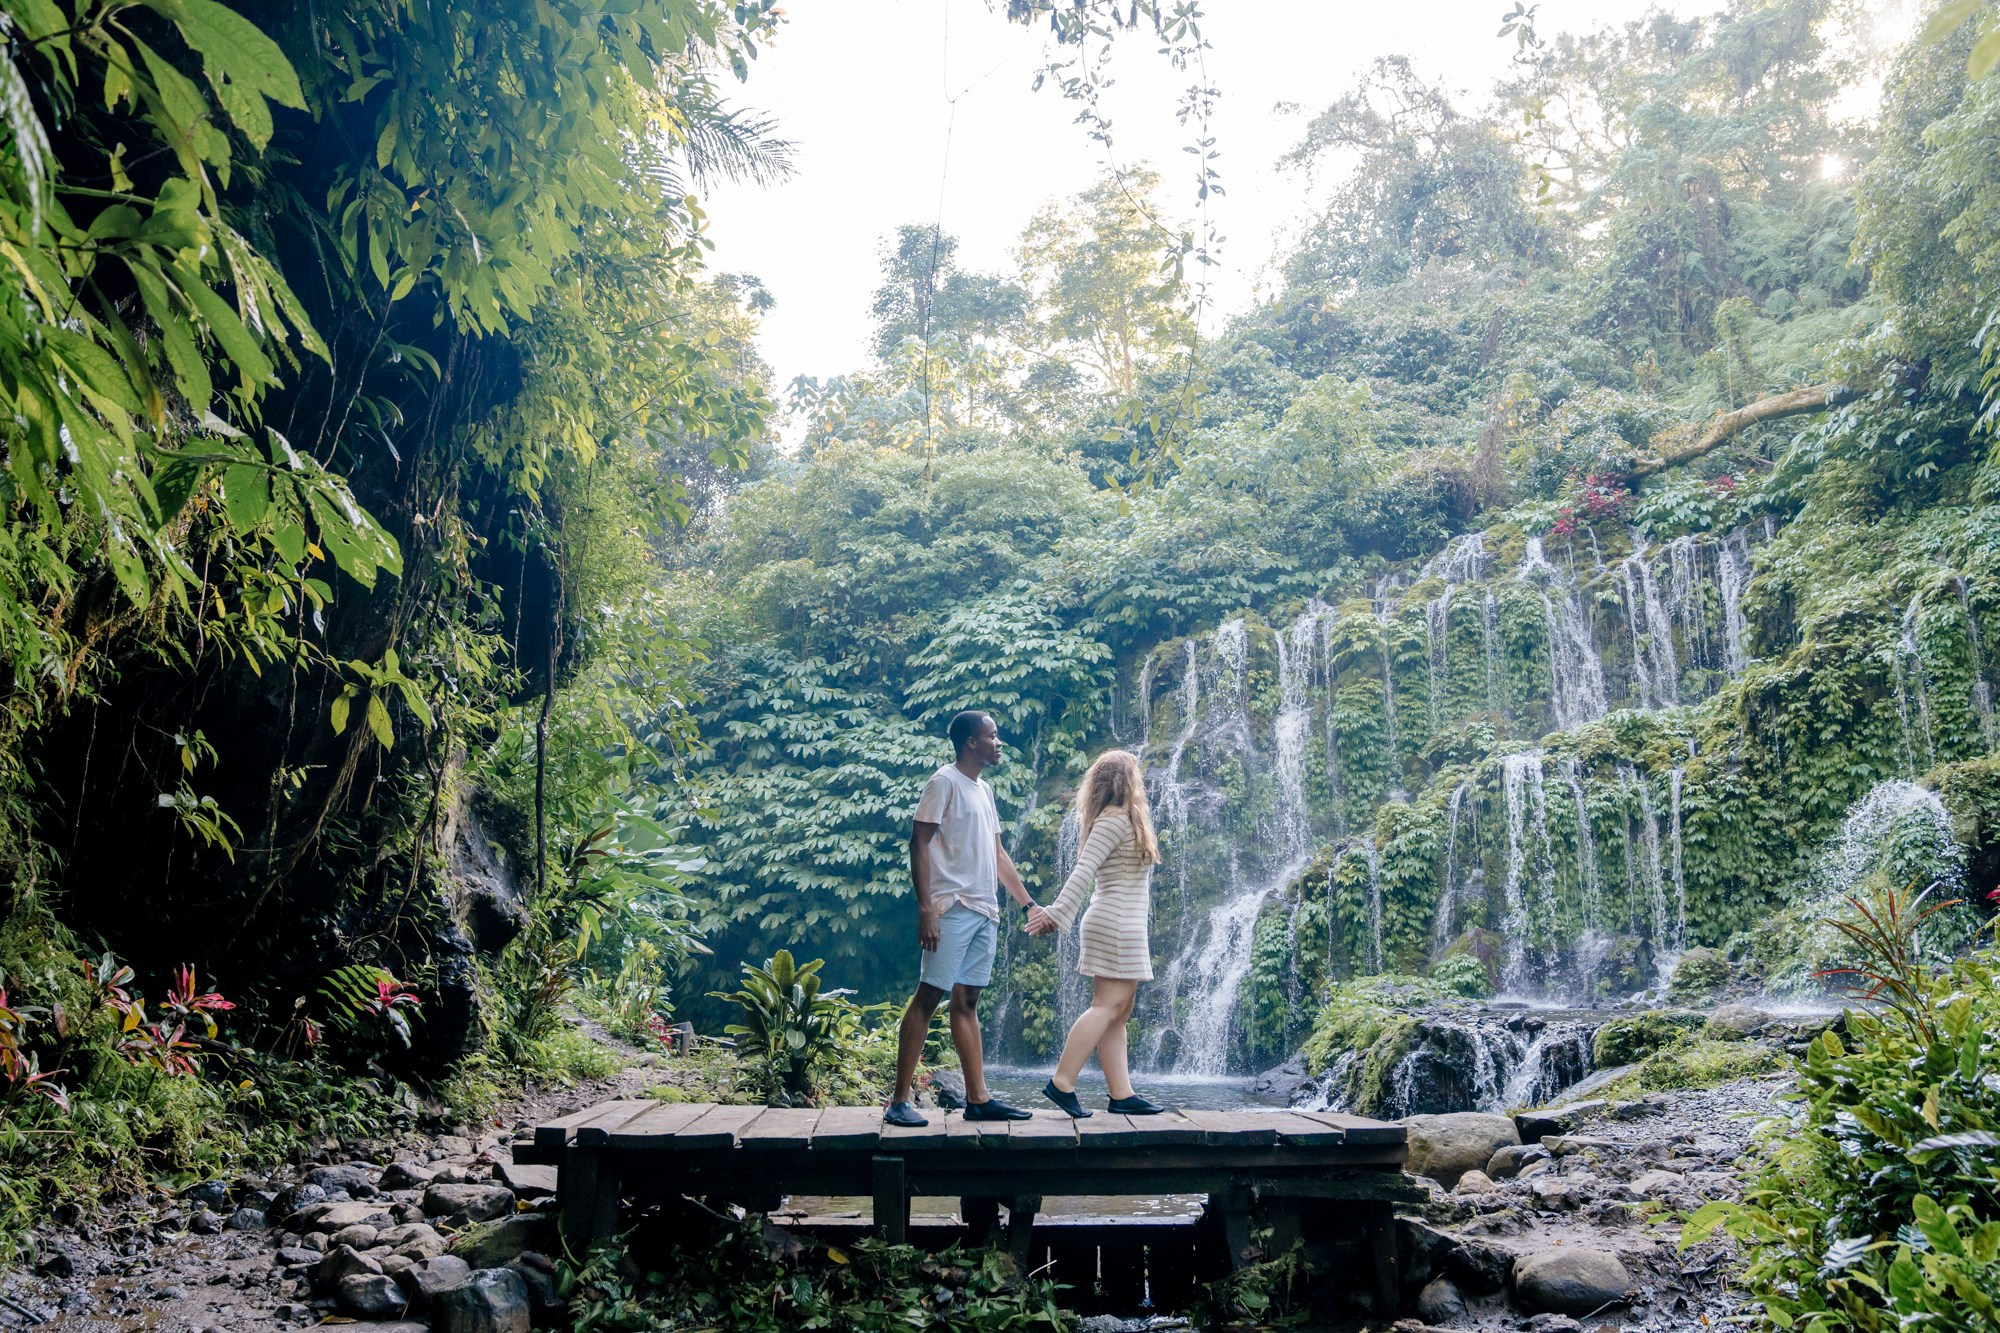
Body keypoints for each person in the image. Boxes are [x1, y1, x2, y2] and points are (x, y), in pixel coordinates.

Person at [883, 710, 1038, 1126]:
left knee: (967, 1001)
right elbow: (918, 843)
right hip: (951, 908)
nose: (999, 741)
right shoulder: (943, 782)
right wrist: (926, 907)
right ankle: (898, 1101)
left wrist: (1028, 903)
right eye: (993, 735)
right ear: (972, 742)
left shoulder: (983, 791)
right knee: (929, 995)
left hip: (985, 909)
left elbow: (998, 854)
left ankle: (978, 1099)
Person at [1025, 749, 1166, 1118]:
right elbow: (1083, 871)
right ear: (1126, 781)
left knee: (1119, 1012)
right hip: (1114, 922)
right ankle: (1062, 1082)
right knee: (1106, 1006)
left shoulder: (1127, 820)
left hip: (1127, 925)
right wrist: (1056, 914)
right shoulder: (1113, 820)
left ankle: (1121, 1093)